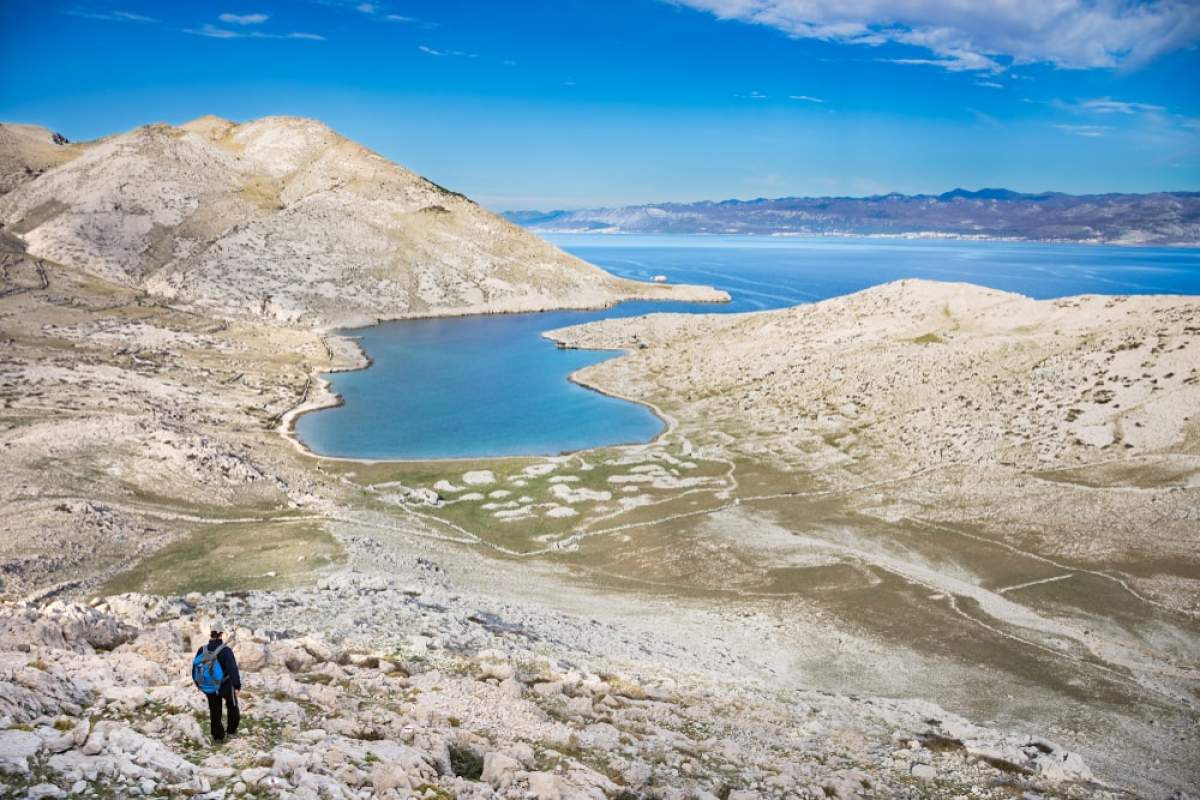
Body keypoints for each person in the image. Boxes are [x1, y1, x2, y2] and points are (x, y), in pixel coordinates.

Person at [191, 625, 242, 742]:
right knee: (232, 706)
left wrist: (199, 684)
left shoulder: (202, 649)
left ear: (211, 633)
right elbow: (232, 669)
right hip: (225, 685)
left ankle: (218, 737)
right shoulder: (226, 650)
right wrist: (237, 685)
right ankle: (231, 732)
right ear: (221, 634)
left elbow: (195, 668)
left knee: (214, 710)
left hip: (209, 686)